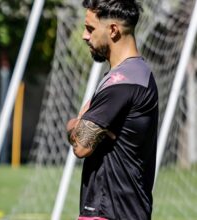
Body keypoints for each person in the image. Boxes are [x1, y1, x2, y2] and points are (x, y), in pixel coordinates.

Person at [66, 0, 158, 219]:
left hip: (112, 211)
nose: (84, 36)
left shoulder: (122, 82)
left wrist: (76, 123)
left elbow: (80, 145)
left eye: (90, 28)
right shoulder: (136, 75)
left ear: (113, 30)